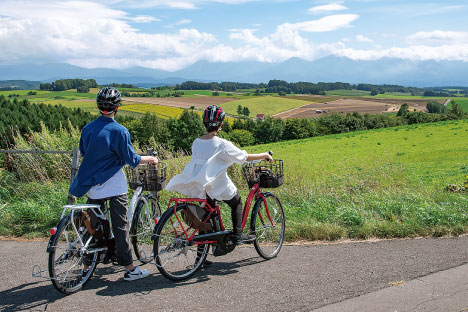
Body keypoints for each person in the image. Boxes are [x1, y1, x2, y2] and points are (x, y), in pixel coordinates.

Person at [69, 86, 158, 281]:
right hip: (115, 187)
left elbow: (84, 151)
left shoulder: (88, 128)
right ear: (117, 108)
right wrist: (150, 159)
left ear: (99, 107)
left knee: (92, 226)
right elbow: (131, 159)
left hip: (92, 185)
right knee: (120, 226)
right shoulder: (120, 131)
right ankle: (129, 268)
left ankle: (87, 266)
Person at [165, 105, 272, 246]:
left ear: (204, 122)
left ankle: (200, 258)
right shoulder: (222, 144)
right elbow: (243, 157)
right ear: (221, 124)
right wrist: (263, 155)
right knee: (237, 202)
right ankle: (237, 235)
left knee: (205, 218)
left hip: (200, 186)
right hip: (217, 184)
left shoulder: (196, 142)